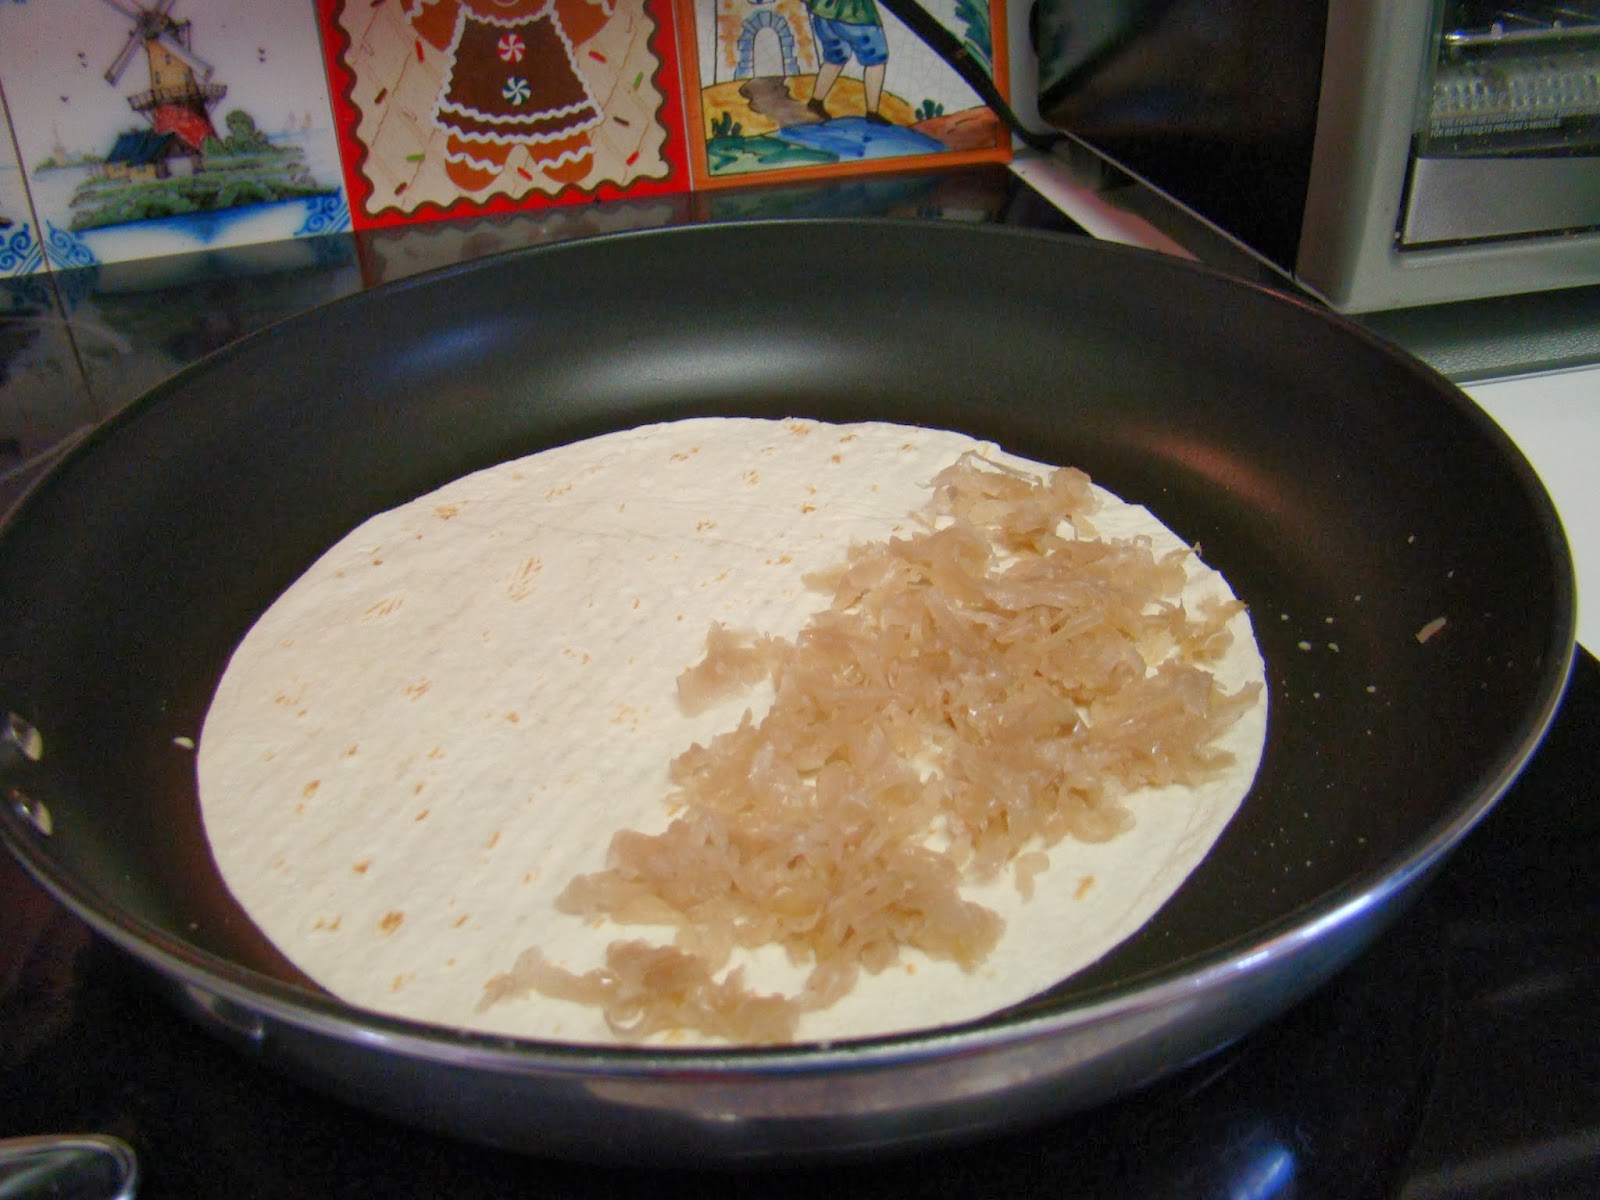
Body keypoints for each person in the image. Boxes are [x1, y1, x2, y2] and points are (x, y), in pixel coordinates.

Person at [804, 0, 891, 125]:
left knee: (837, 55)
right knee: (876, 56)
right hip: (854, 14)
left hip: (822, 12)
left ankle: (816, 101)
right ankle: (872, 112)